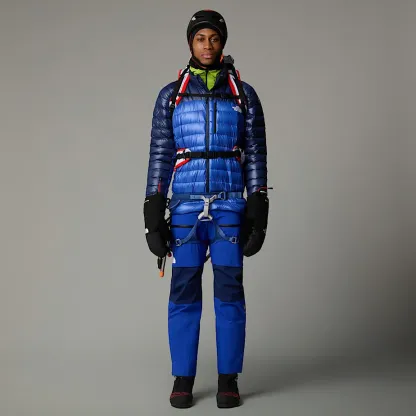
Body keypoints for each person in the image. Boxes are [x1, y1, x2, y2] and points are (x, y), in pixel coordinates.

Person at [143, 9, 269, 409]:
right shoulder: (171, 96)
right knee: (183, 292)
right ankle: (183, 378)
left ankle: (228, 379)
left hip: (230, 207)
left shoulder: (243, 95)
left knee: (230, 293)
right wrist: (152, 215)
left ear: (223, 42)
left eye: (214, 38)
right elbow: (161, 154)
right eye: (200, 38)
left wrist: (259, 209)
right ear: (190, 43)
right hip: (184, 209)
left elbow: (256, 153)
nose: (207, 46)